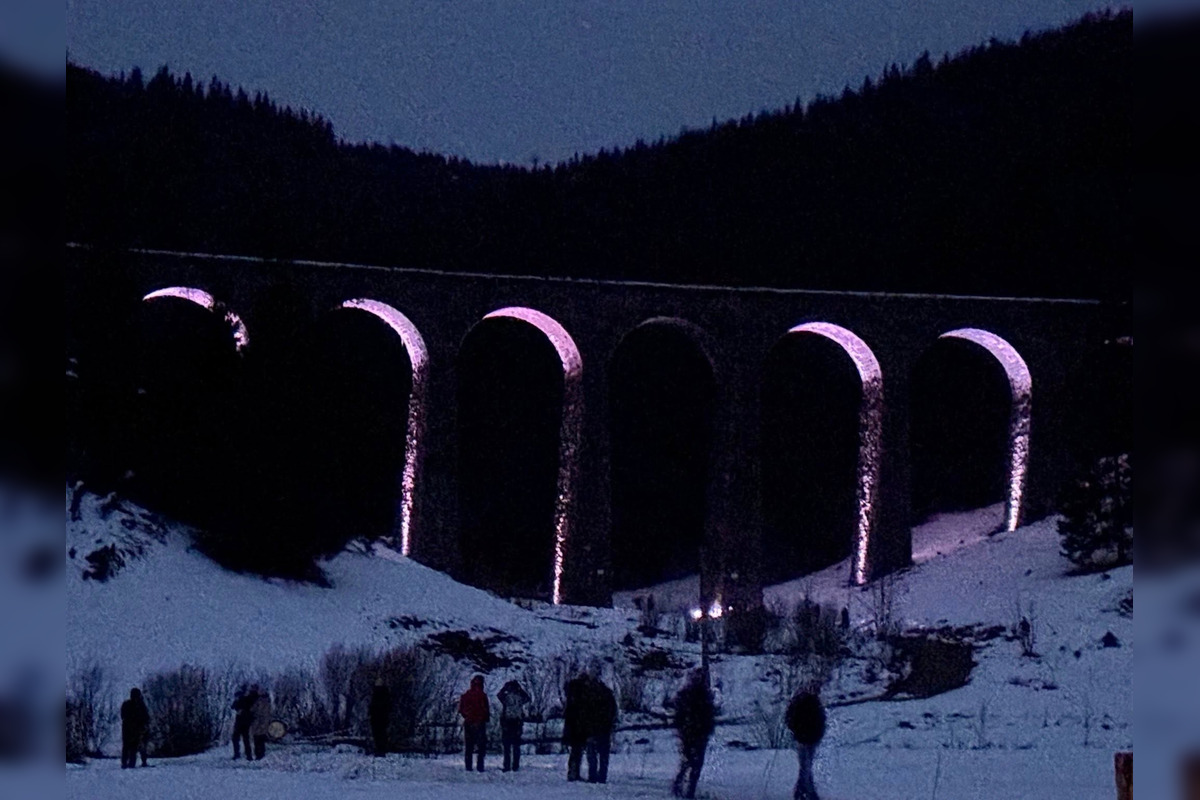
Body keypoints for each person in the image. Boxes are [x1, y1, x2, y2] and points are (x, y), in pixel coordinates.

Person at [671, 669, 716, 798]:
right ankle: (682, 787)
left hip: (697, 733)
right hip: (691, 733)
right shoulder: (689, 695)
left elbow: (708, 716)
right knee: (690, 762)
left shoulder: (702, 695)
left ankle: (687, 789)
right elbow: (679, 716)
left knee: (693, 763)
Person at [786, 689, 827, 800]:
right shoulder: (814, 703)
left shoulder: (797, 703)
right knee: (806, 766)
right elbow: (822, 722)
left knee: (805, 765)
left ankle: (804, 791)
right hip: (808, 739)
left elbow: (789, 719)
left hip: (804, 738)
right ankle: (805, 792)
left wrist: (794, 732)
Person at [583, 673, 617, 784]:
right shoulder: (608, 694)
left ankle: (592, 775)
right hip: (605, 728)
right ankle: (602, 775)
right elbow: (613, 711)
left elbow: (586, 713)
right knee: (603, 754)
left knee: (592, 754)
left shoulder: (589, 695)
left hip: (592, 728)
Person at [497, 678, 531, 772]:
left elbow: (499, 695)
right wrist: (519, 688)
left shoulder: (506, 697)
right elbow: (527, 698)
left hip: (508, 722)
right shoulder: (520, 697)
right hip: (517, 721)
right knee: (516, 745)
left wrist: (504, 688)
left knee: (507, 746)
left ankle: (507, 765)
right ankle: (515, 765)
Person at [458, 674, 490, 772]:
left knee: (469, 746)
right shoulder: (483, 696)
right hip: (480, 723)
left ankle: (468, 766)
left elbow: (461, 709)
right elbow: (486, 710)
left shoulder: (466, 695)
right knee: (481, 747)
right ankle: (480, 766)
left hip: (468, 722)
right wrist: (484, 719)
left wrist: (467, 716)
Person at [561, 673, 590, 781]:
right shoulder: (582, 695)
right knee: (577, 751)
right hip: (579, 727)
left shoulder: (571, 694)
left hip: (571, 726)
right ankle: (574, 773)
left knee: (574, 751)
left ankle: (572, 772)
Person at [120, 687, 150, 769]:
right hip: (134, 729)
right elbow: (146, 717)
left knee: (129, 746)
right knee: (132, 746)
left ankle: (126, 764)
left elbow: (123, 716)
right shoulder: (139, 705)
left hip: (130, 729)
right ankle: (129, 763)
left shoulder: (128, 704)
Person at [249, 684, 272, 761]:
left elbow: (254, 710)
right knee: (260, 739)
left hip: (258, 723)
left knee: (257, 739)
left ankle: (259, 755)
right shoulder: (267, 701)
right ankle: (260, 754)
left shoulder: (259, 701)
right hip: (263, 723)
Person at [368, 679, 391, 757]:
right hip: (381, 717)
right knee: (381, 734)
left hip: (377, 717)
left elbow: (372, 706)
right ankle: (381, 749)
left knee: (378, 734)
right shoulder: (385, 693)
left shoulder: (376, 694)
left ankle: (380, 749)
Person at [231, 685, 254, 760]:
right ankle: (245, 755)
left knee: (242, 738)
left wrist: (241, 710)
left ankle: (242, 754)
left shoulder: (245, 700)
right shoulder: (245, 700)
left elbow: (234, 707)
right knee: (242, 739)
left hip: (243, 722)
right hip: (242, 722)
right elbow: (233, 706)